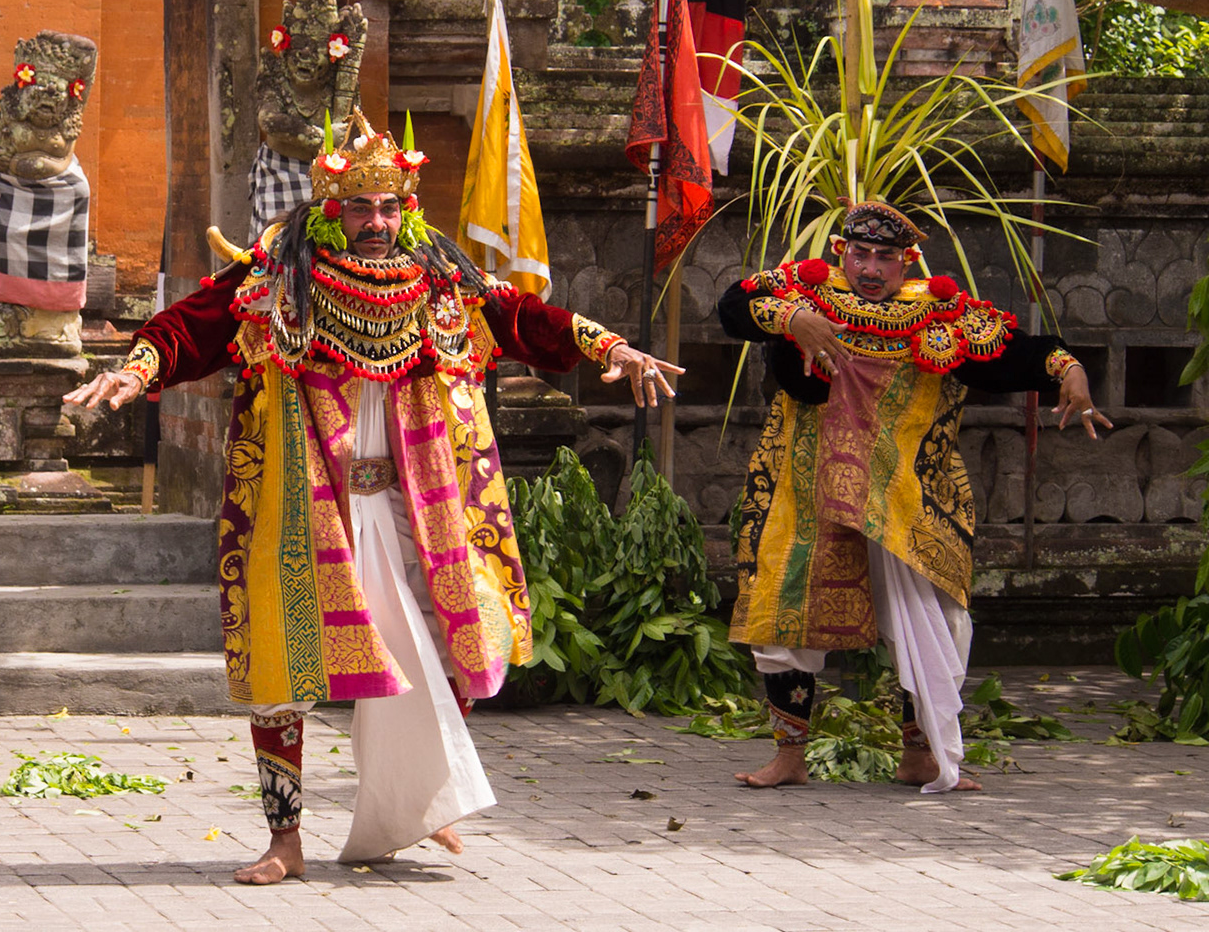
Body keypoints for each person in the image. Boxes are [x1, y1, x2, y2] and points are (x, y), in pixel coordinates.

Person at [66, 109, 679, 882]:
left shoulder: (440, 282)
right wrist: (135, 373)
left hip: (408, 507)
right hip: (303, 501)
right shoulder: (277, 281)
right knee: (282, 661)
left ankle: (418, 805)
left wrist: (608, 346)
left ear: (408, 211)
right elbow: (193, 326)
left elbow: (521, 316)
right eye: (361, 206)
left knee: (425, 647)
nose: (377, 222)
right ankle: (284, 840)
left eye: (390, 207)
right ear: (330, 210)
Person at [717, 199, 1107, 793]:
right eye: (862, 254)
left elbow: (1017, 353)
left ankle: (921, 756)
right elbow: (732, 307)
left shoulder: (939, 315)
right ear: (842, 252)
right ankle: (789, 758)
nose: (872, 268)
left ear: (907, 263)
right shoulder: (803, 293)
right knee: (783, 619)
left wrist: (1069, 370)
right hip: (807, 487)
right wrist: (792, 320)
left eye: (886, 257)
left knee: (942, 624)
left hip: (903, 494)